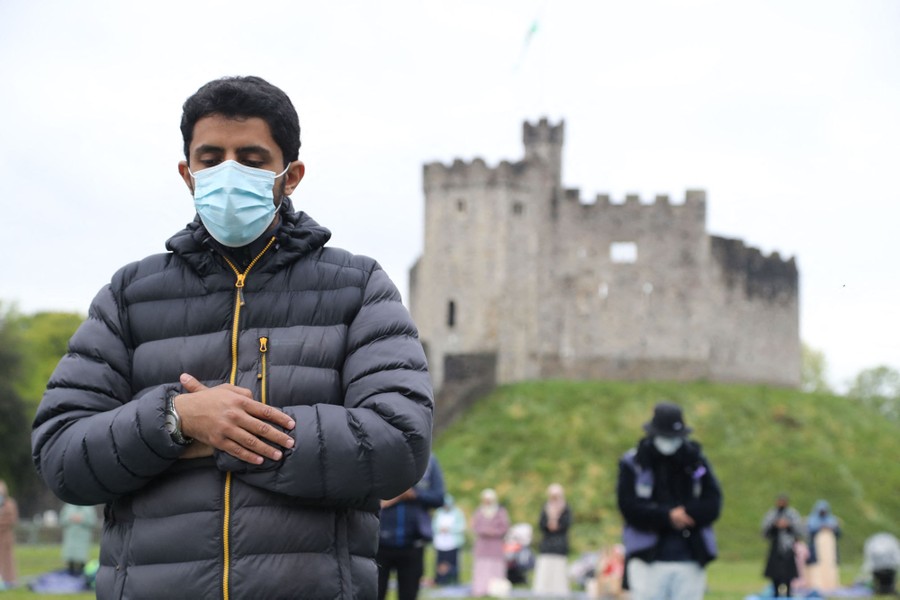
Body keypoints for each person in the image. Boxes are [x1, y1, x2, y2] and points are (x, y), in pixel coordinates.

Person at [31, 75, 434, 600]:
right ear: (187, 173)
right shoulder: (130, 295)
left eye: (251, 157)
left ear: (291, 176)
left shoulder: (357, 288)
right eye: (211, 157)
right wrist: (176, 419)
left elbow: (398, 444)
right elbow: (62, 453)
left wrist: (224, 435)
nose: (229, 172)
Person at [616, 401, 722, 600]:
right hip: (648, 558)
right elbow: (628, 507)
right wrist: (666, 516)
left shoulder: (696, 462)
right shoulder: (634, 463)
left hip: (690, 555)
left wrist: (686, 514)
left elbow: (713, 503)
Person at [377, 454, 445, 600]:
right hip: (378, 544)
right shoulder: (379, 454)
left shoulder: (429, 461)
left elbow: (439, 497)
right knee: (375, 594)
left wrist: (413, 494)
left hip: (413, 544)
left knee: (409, 595)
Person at [532, 482, 572, 597]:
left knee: (559, 569)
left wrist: (556, 524)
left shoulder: (566, 508)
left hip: (560, 543)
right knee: (545, 567)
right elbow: (541, 523)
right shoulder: (545, 507)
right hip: (547, 542)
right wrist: (549, 523)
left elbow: (567, 524)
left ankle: (559, 592)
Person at [761, 493, 803, 597]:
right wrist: (775, 525)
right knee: (775, 574)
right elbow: (765, 532)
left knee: (788, 574)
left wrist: (788, 525)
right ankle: (775, 593)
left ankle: (788, 594)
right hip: (775, 548)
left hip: (788, 549)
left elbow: (799, 531)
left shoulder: (792, 514)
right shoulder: (772, 514)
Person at [471, 489, 510, 597]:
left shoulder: (500, 512)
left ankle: (495, 590)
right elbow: (475, 526)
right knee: (482, 568)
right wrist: (484, 531)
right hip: (482, 545)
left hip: (495, 546)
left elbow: (504, 527)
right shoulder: (479, 511)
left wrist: (494, 532)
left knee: (495, 567)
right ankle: (481, 589)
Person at [432, 493, 467, 586]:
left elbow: (461, 526)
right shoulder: (438, 512)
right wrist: (440, 529)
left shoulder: (457, 513)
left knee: (452, 562)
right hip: (440, 542)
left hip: (452, 542)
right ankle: (441, 580)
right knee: (441, 562)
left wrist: (449, 529)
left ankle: (453, 580)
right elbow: (434, 525)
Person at [806, 499, 841, 592]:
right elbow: (809, 531)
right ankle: (816, 585)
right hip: (817, 549)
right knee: (816, 568)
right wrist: (820, 527)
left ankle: (830, 584)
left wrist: (833, 527)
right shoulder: (812, 520)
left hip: (829, 550)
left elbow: (838, 533)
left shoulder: (832, 519)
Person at [60, 503, 98, 576]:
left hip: (83, 539)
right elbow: (62, 520)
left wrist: (82, 520)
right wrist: (70, 518)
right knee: (70, 559)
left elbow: (93, 522)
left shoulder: (89, 508)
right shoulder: (68, 507)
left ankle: (82, 575)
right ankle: (70, 574)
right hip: (70, 538)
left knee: (82, 559)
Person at [0, 480, 18, 587]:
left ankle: (10, 581)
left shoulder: (10, 503)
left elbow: (11, 520)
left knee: (7, 561)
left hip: (6, 539)